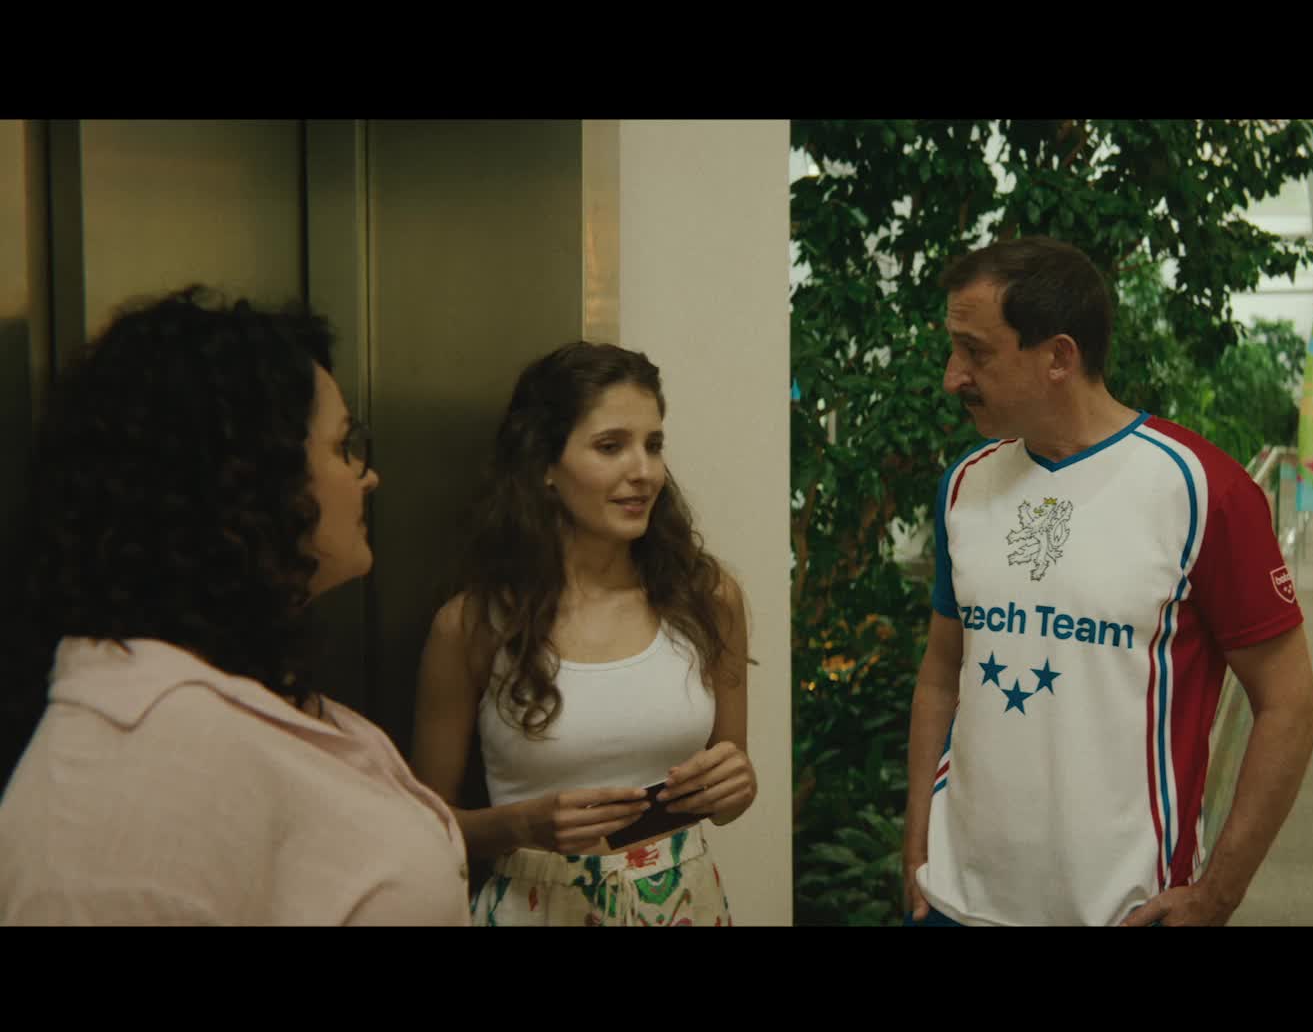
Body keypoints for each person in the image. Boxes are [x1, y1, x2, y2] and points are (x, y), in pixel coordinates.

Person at [0, 287, 469, 925]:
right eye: (341, 446)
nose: (367, 475)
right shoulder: (139, 764)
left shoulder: (244, 694)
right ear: (247, 479)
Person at [903, 236, 1313, 927]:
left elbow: (1290, 705)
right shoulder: (965, 485)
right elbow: (942, 673)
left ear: (1058, 357)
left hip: (1124, 911)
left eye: (975, 352)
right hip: (955, 901)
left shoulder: (1203, 490)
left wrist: (1218, 894)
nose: (953, 377)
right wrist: (918, 844)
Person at [410, 342, 753, 927]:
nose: (644, 472)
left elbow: (731, 787)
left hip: (686, 905)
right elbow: (422, 828)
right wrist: (522, 825)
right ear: (544, 465)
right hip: (535, 907)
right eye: (610, 446)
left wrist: (735, 786)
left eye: (653, 444)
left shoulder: (708, 599)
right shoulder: (473, 625)